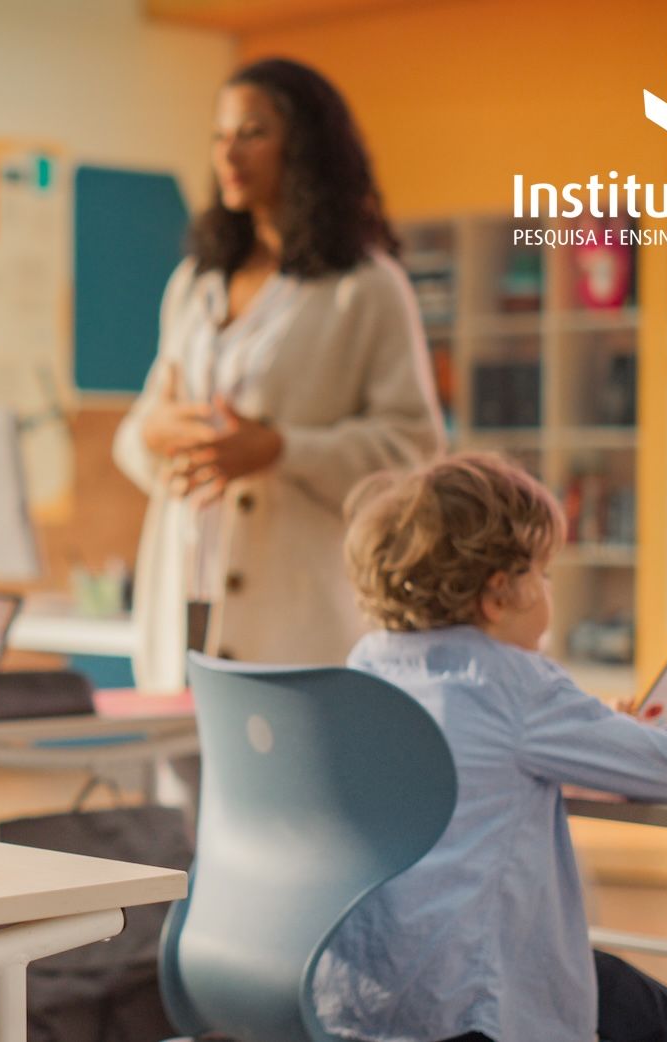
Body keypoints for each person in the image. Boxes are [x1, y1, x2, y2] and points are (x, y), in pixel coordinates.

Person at [316, 453, 667, 1042]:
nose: (549, 588)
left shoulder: (366, 667)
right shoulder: (516, 686)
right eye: (545, 572)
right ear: (500, 593)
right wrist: (656, 731)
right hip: (472, 1005)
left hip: (362, 998)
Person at [114, 57, 443, 686]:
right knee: (179, 782)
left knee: (283, 783)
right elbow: (138, 430)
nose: (229, 153)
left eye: (252, 133)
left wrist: (279, 450)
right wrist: (154, 435)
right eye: (219, 135)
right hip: (180, 601)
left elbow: (413, 452)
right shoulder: (194, 285)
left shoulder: (366, 288)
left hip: (296, 618)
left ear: (306, 147)